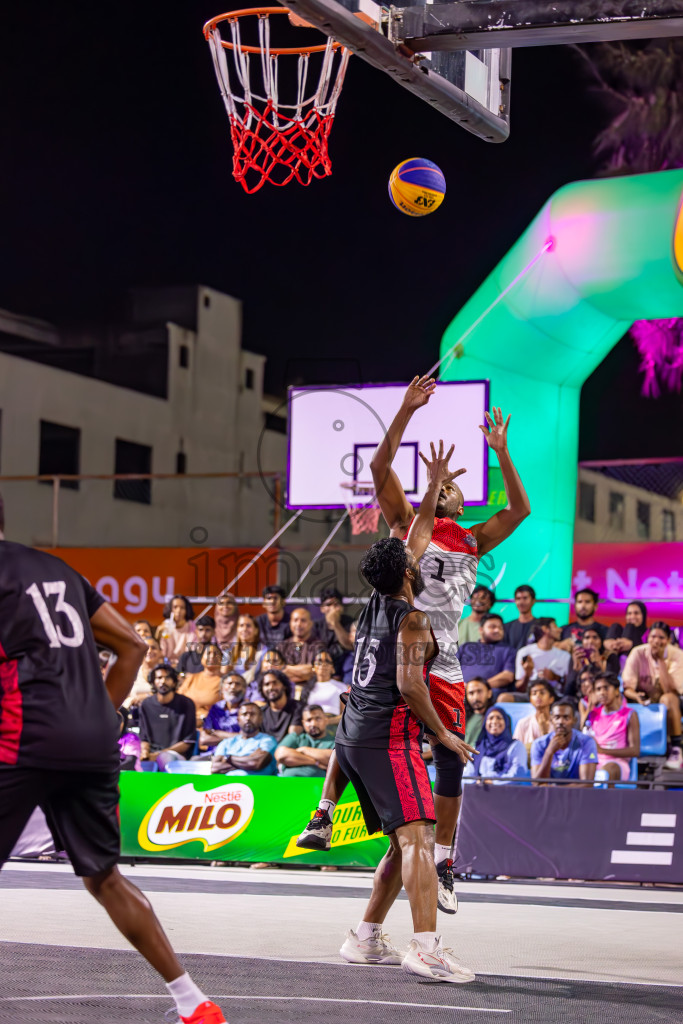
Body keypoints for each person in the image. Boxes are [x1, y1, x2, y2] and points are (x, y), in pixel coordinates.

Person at [300, 382, 530, 913]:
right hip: (396, 636)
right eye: (439, 483)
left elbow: (519, 509)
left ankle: (442, 860)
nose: (445, 484)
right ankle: (324, 809)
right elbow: (380, 470)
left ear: (460, 499)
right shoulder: (408, 525)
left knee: (451, 754)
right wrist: (404, 410)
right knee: (359, 712)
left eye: (451, 485)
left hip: (441, 653)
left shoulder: (474, 537)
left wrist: (502, 452)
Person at [0, 503, 226, 1024]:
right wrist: (99, 715)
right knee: (104, 878)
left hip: (23, 734)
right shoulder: (56, 570)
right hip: (92, 742)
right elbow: (131, 644)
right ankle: (195, 1004)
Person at [334, 456, 477, 980]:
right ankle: (425, 948)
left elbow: (413, 536)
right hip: (386, 740)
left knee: (402, 841)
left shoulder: (373, 605)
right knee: (419, 839)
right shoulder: (413, 618)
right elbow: (411, 686)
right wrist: (444, 736)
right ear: (411, 571)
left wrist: (435, 485)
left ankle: (365, 935)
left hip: (352, 738)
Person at [622, 621, 683, 770]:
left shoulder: (677, 655)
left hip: (671, 702)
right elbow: (627, 687)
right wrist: (636, 696)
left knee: (666, 699)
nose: (656, 641)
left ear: (668, 640)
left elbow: (670, 690)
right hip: (642, 701)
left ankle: (676, 749)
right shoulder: (638, 652)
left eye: (661, 637)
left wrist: (660, 660)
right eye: (653, 636)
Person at [139, 665, 197, 771]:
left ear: (174, 682)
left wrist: (159, 755)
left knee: (165, 758)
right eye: (159, 678)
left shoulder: (186, 704)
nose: (163, 681)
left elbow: (187, 742)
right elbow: (144, 738)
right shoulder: (146, 704)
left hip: (177, 757)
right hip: (152, 754)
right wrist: (145, 752)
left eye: (168, 678)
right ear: (153, 682)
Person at [585, 672, 640, 781]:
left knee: (607, 771)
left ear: (616, 691)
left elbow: (634, 750)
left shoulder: (629, 714)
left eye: (606, 688)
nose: (602, 693)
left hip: (617, 764)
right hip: (594, 762)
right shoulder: (593, 714)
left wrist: (602, 750)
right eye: (598, 689)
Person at [531, 699, 598, 784]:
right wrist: (549, 752)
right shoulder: (539, 744)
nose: (561, 722)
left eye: (566, 718)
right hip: (548, 796)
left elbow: (587, 785)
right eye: (557, 717)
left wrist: (554, 789)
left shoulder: (586, 742)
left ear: (574, 720)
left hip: (576, 795)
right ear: (551, 720)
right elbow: (536, 784)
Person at [463, 708, 530, 782]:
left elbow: (518, 775)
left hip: (506, 792)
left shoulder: (516, 746)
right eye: (491, 718)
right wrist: (477, 783)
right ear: (485, 723)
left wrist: (493, 784)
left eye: (499, 718)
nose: (494, 721)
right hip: (477, 790)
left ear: (506, 722)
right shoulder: (477, 748)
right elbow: (468, 776)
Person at [211, 703, 277, 776]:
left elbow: (256, 763)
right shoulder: (227, 742)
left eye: (252, 714)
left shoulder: (268, 741)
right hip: (228, 785)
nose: (248, 718)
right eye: (244, 714)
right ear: (238, 719)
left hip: (257, 785)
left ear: (261, 719)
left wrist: (228, 758)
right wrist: (249, 759)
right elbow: (215, 768)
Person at [459, 613, 516, 697]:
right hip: (460, 691)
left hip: (490, 694)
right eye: (492, 627)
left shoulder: (508, 650)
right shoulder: (465, 647)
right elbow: (450, 670)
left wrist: (478, 687)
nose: (497, 630)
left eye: (500, 628)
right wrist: (463, 686)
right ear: (481, 630)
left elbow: (507, 676)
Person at [275, 705, 335, 778]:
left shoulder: (335, 742)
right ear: (303, 723)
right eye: (309, 720)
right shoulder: (295, 738)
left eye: (318, 719)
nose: (313, 724)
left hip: (319, 786)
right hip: (288, 784)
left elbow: (333, 759)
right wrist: (316, 762)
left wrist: (304, 750)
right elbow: (281, 755)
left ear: (326, 720)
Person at [515, 619, 571, 696]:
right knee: (504, 698)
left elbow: (569, 687)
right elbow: (519, 688)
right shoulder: (525, 652)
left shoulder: (565, 656)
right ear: (545, 629)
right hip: (530, 695)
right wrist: (527, 674)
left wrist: (555, 677)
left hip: (555, 696)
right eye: (555, 626)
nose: (560, 630)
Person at [197, 671, 247, 755]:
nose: (233, 687)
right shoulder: (216, 708)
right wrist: (234, 737)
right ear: (222, 688)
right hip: (212, 754)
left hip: (237, 755)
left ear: (244, 689)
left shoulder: (247, 709)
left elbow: (246, 738)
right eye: (229, 683)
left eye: (237, 684)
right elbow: (204, 739)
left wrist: (216, 732)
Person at [564, 626, 620, 698]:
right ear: (582, 641)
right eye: (587, 638)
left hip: (602, 696)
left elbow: (612, 684)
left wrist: (599, 665)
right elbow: (568, 690)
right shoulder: (576, 657)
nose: (591, 641)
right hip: (578, 697)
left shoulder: (610, 656)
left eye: (595, 637)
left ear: (601, 641)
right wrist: (576, 670)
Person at [178, 643, 224, 727]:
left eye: (215, 654)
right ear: (202, 658)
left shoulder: (224, 682)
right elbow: (178, 698)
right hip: (184, 719)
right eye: (208, 653)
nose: (212, 656)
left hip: (208, 723)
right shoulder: (192, 678)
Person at [312, 586, 355, 674]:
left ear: (341, 607)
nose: (332, 608)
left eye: (336, 604)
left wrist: (335, 623)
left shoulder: (350, 622)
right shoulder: (316, 625)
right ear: (322, 608)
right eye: (328, 604)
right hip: (322, 665)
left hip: (344, 666)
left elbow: (349, 645)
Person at [280, 608, 328, 684]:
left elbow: (313, 671)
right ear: (290, 623)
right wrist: (303, 672)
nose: (298, 624)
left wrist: (285, 668)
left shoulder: (318, 646)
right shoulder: (282, 646)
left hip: (311, 691)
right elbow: (277, 671)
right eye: (295, 620)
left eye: (303, 620)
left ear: (311, 623)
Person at [225, 613, 267, 700]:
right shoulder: (229, 652)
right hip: (232, 693)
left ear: (256, 630)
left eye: (248, 626)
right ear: (237, 629)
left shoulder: (263, 651)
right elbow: (223, 675)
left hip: (255, 695)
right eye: (241, 625)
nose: (244, 629)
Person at [297, 650, 347, 717]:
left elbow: (345, 715)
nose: (323, 664)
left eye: (327, 661)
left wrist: (326, 721)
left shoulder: (341, 687)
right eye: (319, 661)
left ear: (333, 668)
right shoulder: (307, 688)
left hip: (333, 724)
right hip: (312, 723)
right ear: (313, 667)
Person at [259, 669, 303, 742]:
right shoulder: (260, 713)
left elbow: (292, 739)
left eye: (275, 683)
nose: (271, 687)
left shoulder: (298, 708)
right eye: (267, 684)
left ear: (284, 685)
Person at [513, 679, 555, 751]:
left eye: (542, 693)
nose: (538, 696)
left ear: (551, 699)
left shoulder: (557, 723)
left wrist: (544, 732)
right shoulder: (523, 723)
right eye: (534, 693)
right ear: (530, 700)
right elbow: (516, 749)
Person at [123, 635, 163, 710]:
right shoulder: (132, 672)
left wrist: (146, 697)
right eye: (146, 648)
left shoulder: (167, 673)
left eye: (153, 648)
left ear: (161, 652)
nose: (150, 651)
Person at [157, 595, 197, 666]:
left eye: (182, 608)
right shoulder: (166, 626)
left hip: (187, 665)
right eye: (175, 607)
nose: (178, 611)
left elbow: (192, 651)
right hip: (168, 665)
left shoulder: (192, 627)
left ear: (186, 610)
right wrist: (159, 635)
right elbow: (163, 653)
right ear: (170, 610)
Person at [503, 585, 538, 651]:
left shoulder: (540, 626)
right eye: (518, 599)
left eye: (525, 598)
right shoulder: (507, 627)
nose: (521, 602)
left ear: (533, 601)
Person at [464, 677, 494, 746]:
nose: (476, 698)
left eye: (479, 691)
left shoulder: (497, 717)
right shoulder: (461, 717)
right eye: (471, 693)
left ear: (489, 693)